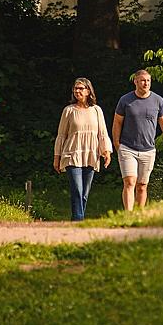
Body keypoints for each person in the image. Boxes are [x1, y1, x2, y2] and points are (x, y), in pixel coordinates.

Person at [112, 69, 163, 211]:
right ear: (136, 81)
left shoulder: (158, 100)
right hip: (127, 148)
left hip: (148, 150)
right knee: (130, 182)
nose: (146, 83)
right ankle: (128, 215)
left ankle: (139, 215)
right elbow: (117, 122)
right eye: (143, 80)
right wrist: (117, 143)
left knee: (142, 186)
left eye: (148, 81)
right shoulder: (125, 100)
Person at [53, 77, 112, 221]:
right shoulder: (69, 111)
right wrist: (57, 157)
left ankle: (78, 218)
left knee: (85, 192)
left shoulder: (96, 110)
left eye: (80, 88)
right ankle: (78, 220)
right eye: (75, 88)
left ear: (88, 91)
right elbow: (61, 135)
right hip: (72, 154)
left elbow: (102, 133)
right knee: (77, 190)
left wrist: (107, 152)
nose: (77, 91)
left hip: (91, 155)